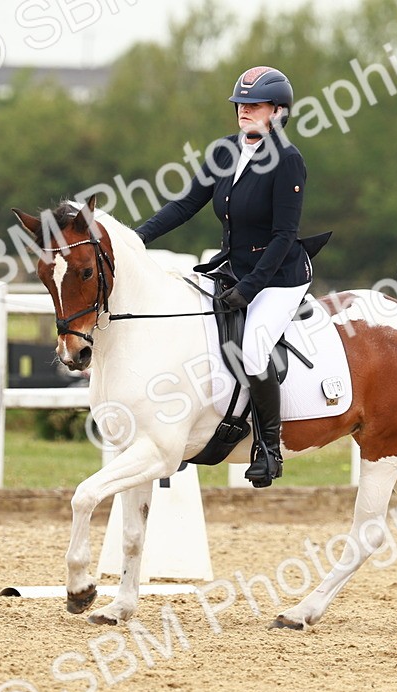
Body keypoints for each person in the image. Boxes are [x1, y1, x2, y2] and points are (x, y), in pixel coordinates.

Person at [135, 66, 311, 488]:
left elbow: (284, 236)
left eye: (254, 106)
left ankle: (269, 448)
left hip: (279, 276)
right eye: (240, 106)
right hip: (234, 269)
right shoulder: (224, 152)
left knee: (252, 350)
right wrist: (133, 239)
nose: (244, 112)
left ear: (278, 112)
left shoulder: (288, 160)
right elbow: (184, 205)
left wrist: (250, 290)